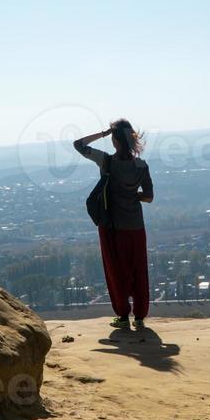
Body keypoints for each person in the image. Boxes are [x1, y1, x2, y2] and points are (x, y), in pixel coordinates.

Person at [74, 120, 153, 330]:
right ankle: (140, 317)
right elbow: (149, 197)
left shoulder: (107, 161)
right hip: (136, 226)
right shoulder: (141, 166)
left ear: (116, 141)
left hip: (113, 227)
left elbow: (78, 144)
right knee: (139, 269)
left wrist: (102, 133)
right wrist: (134, 196)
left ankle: (123, 317)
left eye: (112, 138)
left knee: (117, 271)